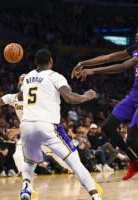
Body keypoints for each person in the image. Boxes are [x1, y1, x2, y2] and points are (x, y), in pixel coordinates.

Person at [72, 23, 138, 192]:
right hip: (135, 93)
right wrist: (83, 63)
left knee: (131, 138)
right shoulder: (136, 48)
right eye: (136, 30)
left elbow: (123, 66)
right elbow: (110, 57)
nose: (137, 33)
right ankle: (134, 161)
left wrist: (93, 71)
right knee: (107, 127)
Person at [19, 49, 102, 200]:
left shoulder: (28, 77)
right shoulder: (55, 76)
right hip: (47, 125)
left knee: (29, 161)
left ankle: (26, 188)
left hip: (26, 125)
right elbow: (70, 98)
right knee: (75, 162)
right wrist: (86, 96)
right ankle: (96, 197)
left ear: (35, 62)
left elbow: (20, 95)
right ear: (51, 61)